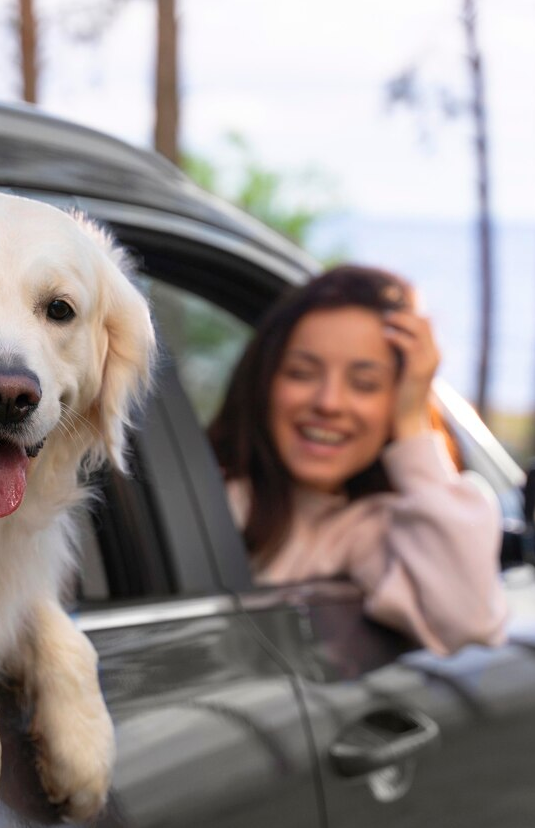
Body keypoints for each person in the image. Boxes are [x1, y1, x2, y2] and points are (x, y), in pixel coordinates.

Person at [208, 265, 506, 656]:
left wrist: (414, 422)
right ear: (265, 381)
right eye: (302, 373)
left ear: (398, 401)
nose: (328, 402)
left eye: (364, 384)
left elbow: (468, 622)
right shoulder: (202, 493)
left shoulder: (372, 530)